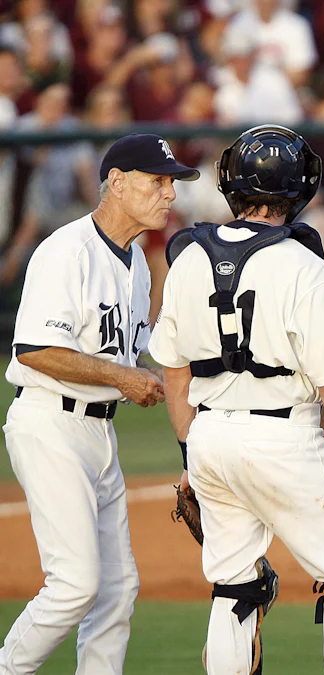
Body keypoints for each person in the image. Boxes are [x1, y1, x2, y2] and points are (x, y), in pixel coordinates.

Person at [149, 125, 324, 675]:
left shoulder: (188, 258)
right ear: (298, 190)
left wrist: (190, 454)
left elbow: (174, 370)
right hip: (282, 435)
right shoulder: (305, 267)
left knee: (234, 588)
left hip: (210, 435)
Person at [1, 134, 196, 674]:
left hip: (98, 434)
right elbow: (37, 350)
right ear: (116, 181)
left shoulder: (134, 262)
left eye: (171, 183)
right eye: (157, 181)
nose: (168, 195)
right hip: (51, 423)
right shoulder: (68, 250)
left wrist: (156, 377)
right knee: (75, 584)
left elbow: (127, 356)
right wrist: (123, 377)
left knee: (118, 590)